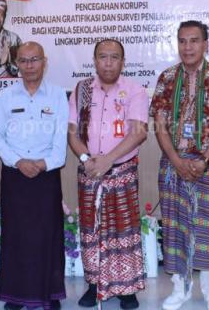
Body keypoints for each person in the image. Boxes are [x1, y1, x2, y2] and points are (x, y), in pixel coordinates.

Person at [150, 20, 209, 310]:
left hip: (208, 162)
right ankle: (181, 288)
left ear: (205, 44)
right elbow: (159, 124)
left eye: (194, 40)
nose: (188, 47)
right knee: (175, 225)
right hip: (172, 163)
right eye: (183, 41)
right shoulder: (166, 78)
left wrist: (205, 159)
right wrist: (176, 160)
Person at [68, 38, 148, 309]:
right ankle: (94, 285)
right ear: (95, 61)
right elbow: (72, 133)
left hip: (122, 171)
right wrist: (86, 159)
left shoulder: (135, 91)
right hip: (89, 171)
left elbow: (139, 132)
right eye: (103, 56)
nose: (109, 62)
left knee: (123, 231)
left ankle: (127, 289)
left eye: (115, 57)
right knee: (91, 230)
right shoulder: (81, 90)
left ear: (123, 62)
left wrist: (108, 160)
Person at [0, 41, 69, 310]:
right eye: (23, 60)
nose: (29, 65)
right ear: (16, 65)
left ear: (44, 62)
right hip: (15, 174)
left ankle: (50, 294)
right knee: (16, 236)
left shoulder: (57, 95)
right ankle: (15, 295)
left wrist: (44, 164)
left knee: (48, 236)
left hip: (47, 176)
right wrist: (18, 161)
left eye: (35, 59)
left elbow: (61, 140)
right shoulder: (6, 97)